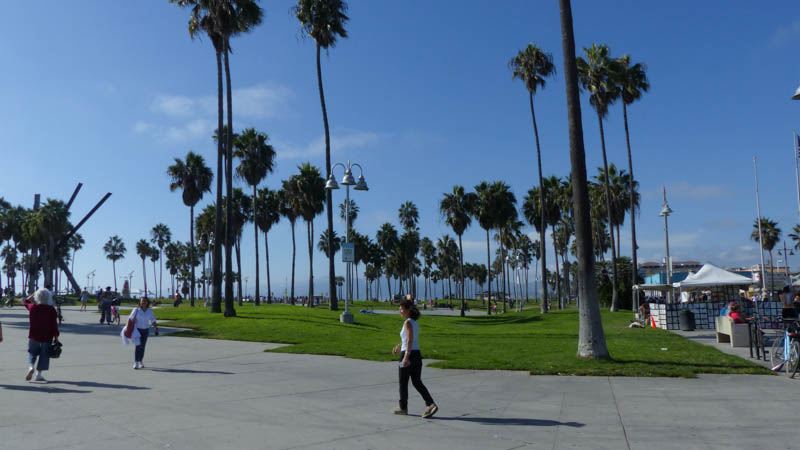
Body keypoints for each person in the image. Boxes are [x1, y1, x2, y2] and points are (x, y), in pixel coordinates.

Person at [391, 296, 438, 418]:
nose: (400, 311)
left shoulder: (407, 322)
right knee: (417, 382)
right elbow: (409, 340)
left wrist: (406, 357)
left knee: (403, 382)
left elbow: (410, 340)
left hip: (408, 355)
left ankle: (403, 408)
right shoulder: (414, 322)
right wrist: (399, 345)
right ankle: (430, 404)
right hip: (416, 354)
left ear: (408, 310)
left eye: (401, 309)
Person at [22, 288, 60, 382]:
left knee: (32, 352)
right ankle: (38, 375)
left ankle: (31, 367)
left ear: (37, 297)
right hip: (47, 336)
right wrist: (56, 337)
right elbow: (54, 325)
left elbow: (25, 301)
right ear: (48, 297)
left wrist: (34, 293)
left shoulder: (33, 307)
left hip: (34, 334)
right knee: (44, 355)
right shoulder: (51, 309)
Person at [128, 297, 159, 369]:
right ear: (140, 302)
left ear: (147, 302)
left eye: (145, 301)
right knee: (138, 346)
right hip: (137, 330)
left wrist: (156, 328)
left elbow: (153, 320)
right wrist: (129, 327)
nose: (144, 302)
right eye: (142, 301)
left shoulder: (149, 311)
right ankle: (136, 362)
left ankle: (140, 361)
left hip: (145, 330)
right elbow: (130, 319)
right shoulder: (136, 310)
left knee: (143, 347)